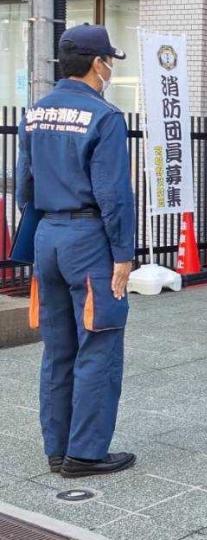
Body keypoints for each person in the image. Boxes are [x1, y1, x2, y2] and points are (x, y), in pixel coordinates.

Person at [17, 24, 136, 479]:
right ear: (97, 64)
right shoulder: (103, 116)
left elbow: (25, 185)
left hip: (47, 235)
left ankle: (57, 448)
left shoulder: (36, 113)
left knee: (58, 348)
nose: (109, 69)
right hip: (89, 241)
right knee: (99, 343)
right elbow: (113, 194)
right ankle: (85, 453)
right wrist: (122, 255)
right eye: (109, 61)